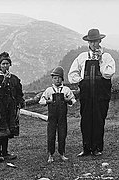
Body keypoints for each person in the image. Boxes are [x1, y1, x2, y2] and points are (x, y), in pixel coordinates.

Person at [68, 29, 115, 157]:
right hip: (87, 94)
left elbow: (108, 74)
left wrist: (100, 61)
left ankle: (97, 148)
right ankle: (86, 148)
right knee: (86, 120)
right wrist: (82, 81)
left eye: (96, 41)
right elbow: (72, 74)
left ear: (100, 41)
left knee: (99, 120)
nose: (94, 44)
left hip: (101, 94)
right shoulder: (82, 57)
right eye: (91, 42)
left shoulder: (107, 57)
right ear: (88, 42)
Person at [0, 52, 25, 162]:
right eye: (3, 64)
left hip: (10, 108)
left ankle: (5, 152)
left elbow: (18, 93)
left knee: (7, 130)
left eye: (7, 63)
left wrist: (19, 104)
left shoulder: (14, 79)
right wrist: (4, 81)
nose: (5, 66)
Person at [39, 66, 76, 163]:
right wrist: (49, 101)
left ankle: (62, 153)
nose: (57, 80)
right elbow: (41, 101)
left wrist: (68, 100)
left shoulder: (66, 90)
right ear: (52, 79)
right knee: (51, 135)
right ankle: (50, 154)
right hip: (52, 117)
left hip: (62, 117)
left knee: (62, 134)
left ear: (62, 79)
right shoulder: (49, 90)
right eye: (55, 78)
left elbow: (73, 100)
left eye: (59, 78)